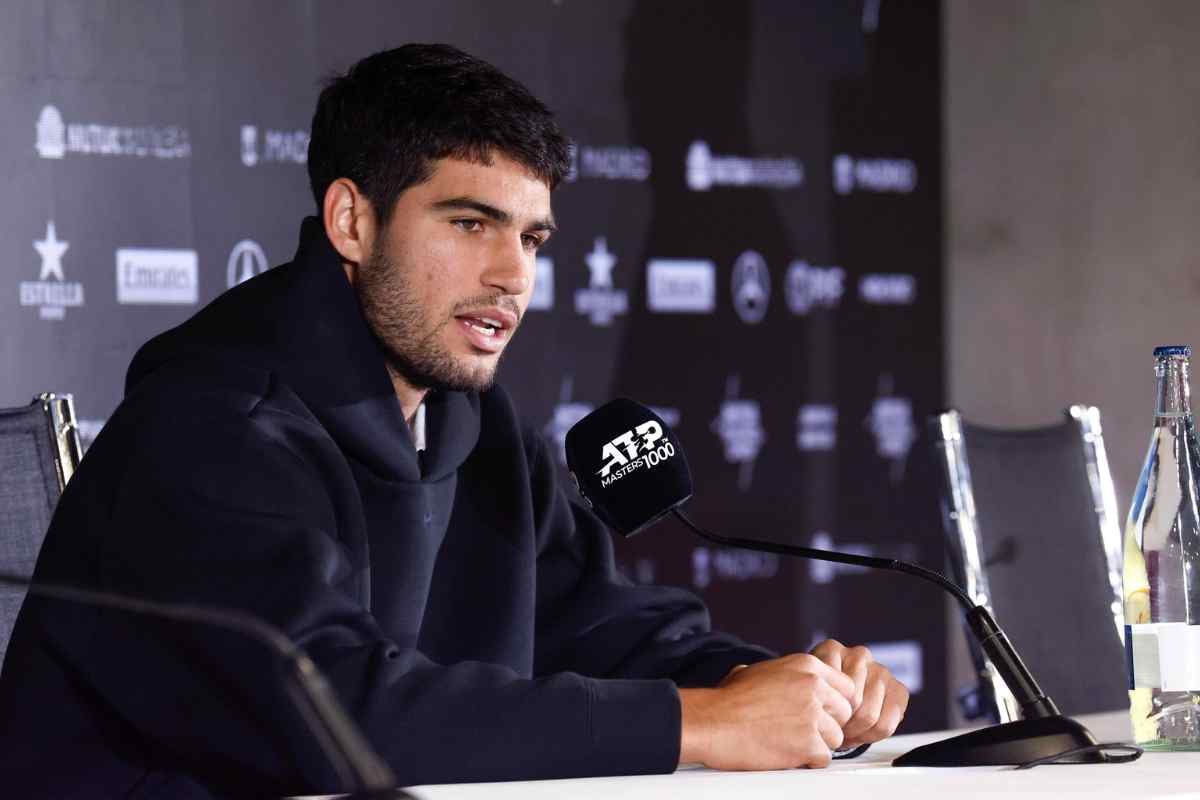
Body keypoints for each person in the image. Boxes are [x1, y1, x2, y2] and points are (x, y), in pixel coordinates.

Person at [0, 44, 908, 797]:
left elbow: (595, 624)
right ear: (353, 222)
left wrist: (773, 685)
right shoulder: (214, 425)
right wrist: (702, 723)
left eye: (531, 238)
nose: (513, 276)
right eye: (471, 224)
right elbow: (337, 716)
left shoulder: (473, 417)